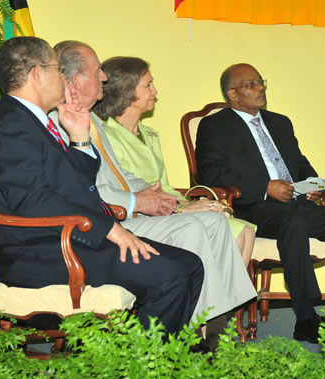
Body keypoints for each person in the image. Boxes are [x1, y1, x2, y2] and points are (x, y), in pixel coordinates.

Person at [0, 37, 203, 336]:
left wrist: (79, 136)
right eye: (57, 69)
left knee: (189, 264)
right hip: (39, 252)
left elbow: (75, 185)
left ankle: (172, 357)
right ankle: (142, 366)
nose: (63, 77)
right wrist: (109, 228)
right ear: (36, 73)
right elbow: (32, 201)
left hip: (66, 237)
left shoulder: (31, 121)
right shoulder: (10, 124)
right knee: (170, 276)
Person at [52, 40, 256, 345]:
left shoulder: (89, 120)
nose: (104, 79)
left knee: (213, 222)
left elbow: (121, 177)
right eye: (98, 72)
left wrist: (157, 196)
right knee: (194, 225)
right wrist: (145, 202)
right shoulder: (63, 123)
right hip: (108, 222)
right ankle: (195, 335)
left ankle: (214, 322)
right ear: (75, 80)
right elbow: (87, 190)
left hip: (125, 210)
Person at [196, 64, 325, 344]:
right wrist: (265, 187)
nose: (260, 87)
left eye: (260, 81)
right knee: (293, 223)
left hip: (295, 203)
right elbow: (212, 174)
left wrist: (313, 184)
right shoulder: (215, 126)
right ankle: (305, 317)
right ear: (233, 94)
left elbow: (298, 162)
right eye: (251, 84)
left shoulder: (280, 122)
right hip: (253, 208)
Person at [92, 56, 256, 266]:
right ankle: (211, 296)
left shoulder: (149, 134)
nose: (155, 92)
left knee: (246, 231)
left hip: (166, 206)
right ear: (127, 90)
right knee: (234, 231)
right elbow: (126, 188)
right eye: (148, 85)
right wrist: (182, 209)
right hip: (142, 214)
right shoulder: (108, 137)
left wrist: (194, 203)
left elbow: (165, 185)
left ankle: (227, 298)